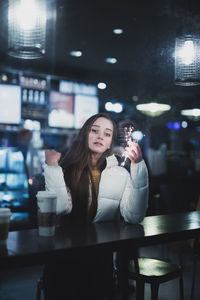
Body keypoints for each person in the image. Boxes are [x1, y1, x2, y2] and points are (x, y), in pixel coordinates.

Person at [42, 112, 149, 300]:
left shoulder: (120, 174)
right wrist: (52, 167)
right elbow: (60, 208)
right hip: (63, 261)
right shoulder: (66, 168)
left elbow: (133, 216)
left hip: (101, 262)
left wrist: (138, 166)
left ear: (110, 143)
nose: (101, 136)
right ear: (85, 134)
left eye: (107, 134)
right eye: (95, 130)